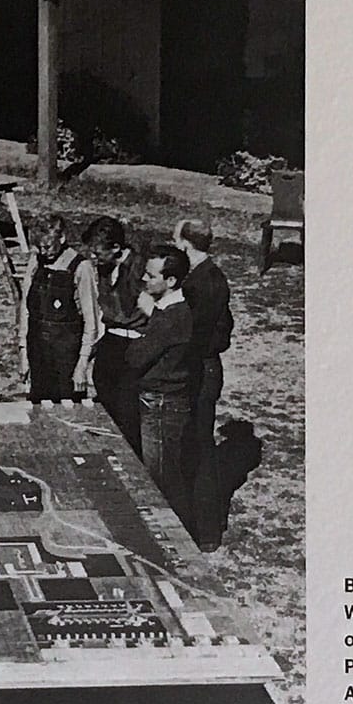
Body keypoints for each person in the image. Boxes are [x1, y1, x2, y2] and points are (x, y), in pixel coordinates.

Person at [122, 245, 195, 524]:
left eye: (152, 276)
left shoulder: (169, 317)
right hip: (162, 401)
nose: (144, 279)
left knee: (161, 480)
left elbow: (135, 357)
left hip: (162, 404)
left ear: (171, 281)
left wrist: (137, 340)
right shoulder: (169, 312)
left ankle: (179, 537)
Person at [175, 218, 235, 548]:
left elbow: (197, 334)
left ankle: (207, 530)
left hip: (200, 370)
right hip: (205, 367)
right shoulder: (208, 276)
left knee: (199, 449)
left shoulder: (203, 283)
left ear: (186, 244)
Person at [19, 214, 99, 402]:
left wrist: (82, 365)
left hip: (66, 355)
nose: (43, 252)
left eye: (47, 246)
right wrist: (23, 352)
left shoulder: (81, 267)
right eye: (39, 247)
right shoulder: (36, 261)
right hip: (38, 349)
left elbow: (92, 321)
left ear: (61, 238)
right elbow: (26, 309)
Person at [81, 215, 143, 446]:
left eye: (98, 253)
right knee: (104, 396)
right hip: (112, 339)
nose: (93, 258)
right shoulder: (106, 268)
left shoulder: (139, 268)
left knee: (127, 409)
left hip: (134, 343)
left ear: (116, 247)